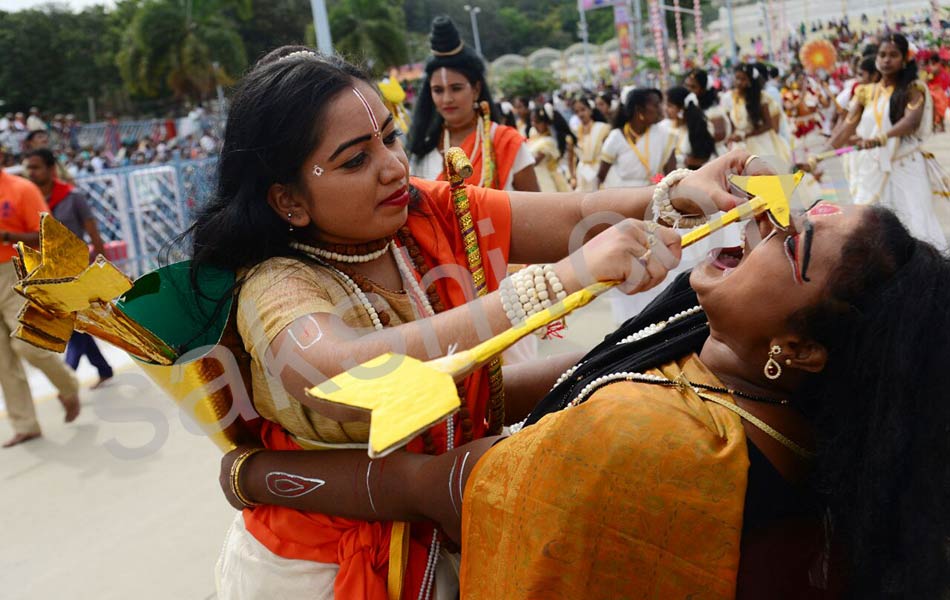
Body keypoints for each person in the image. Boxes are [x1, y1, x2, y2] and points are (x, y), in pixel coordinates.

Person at [202, 46, 741, 599]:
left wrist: (680, 194)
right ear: (288, 201)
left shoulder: (422, 209)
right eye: (354, 160)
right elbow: (343, 374)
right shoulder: (274, 283)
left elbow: (578, 215)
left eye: (389, 137)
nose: (393, 165)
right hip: (318, 570)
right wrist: (553, 283)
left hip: (466, 523)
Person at [222, 193, 950, 599]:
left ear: (797, 351)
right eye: (358, 159)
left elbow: (429, 480)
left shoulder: (653, 438)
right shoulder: (743, 365)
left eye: (789, 243)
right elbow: (591, 367)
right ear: (282, 198)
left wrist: (247, 474)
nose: (762, 223)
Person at [830, 33, 948, 251]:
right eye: (882, 55)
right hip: (873, 167)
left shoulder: (914, 89)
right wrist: (818, 157)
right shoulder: (865, 92)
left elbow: (910, 122)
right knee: (874, 225)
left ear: (904, 60)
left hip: (906, 167)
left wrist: (880, 138)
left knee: (914, 223)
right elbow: (847, 127)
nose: (886, 59)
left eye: (893, 55)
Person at [0, 149, 80, 448]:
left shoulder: (20, 189)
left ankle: (68, 385)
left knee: (27, 344)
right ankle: (26, 424)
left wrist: (6, 236)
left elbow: (46, 234)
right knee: (2, 361)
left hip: (13, 271)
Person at [407, 17, 539, 192]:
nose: (447, 99)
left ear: (476, 89)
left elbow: (535, 212)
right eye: (438, 90)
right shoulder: (421, 149)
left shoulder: (506, 143)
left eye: (456, 88)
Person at [24, 149, 113, 388]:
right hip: (49, 273)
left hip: (76, 270)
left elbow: (93, 232)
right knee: (75, 322)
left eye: (36, 167)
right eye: (28, 168)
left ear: (51, 169)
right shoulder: (30, 200)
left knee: (72, 322)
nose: (31, 173)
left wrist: (102, 264)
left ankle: (69, 374)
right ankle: (104, 369)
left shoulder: (73, 197)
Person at [597, 88, 677, 188]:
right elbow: (601, 176)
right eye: (656, 105)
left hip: (654, 196)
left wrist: (659, 190)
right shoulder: (616, 137)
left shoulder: (665, 135)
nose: (661, 110)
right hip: (623, 197)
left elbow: (671, 177)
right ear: (639, 109)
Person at [723, 63, 791, 165]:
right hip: (740, 145)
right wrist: (732, 137)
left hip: (760, 142)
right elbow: (733, 124)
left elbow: (769, 125)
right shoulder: (730, 98)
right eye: (737, 78)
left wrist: (745, 135)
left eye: (743, 79)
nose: (738, 82)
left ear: (750, 81)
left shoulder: (761, 98)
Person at [665, 86, 718, 169]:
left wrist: (685, 161)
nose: (666, 109)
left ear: (681, 108)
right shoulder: (665, 125)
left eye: (670, 106)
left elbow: (704, 157)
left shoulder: (697, 126)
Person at [684, 68, 731, 154]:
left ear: (703, 88)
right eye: (687, 86)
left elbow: (720, 135)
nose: (688, 90)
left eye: (693, 87)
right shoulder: (691, 103)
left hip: (712, 155)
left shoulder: (713, 110)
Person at [527, 104, 573, 192]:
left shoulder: (549, 142)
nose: (534, 124)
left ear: (546, 123)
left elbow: (534, 162)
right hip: (534, 176)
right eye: (532, 121)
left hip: (543, 178)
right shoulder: (533, 134)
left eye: (537, 122)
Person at [569, 95, 610, 191]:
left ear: (590, 110)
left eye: (583, 110)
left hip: (599, 171)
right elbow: (572, 157)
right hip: (582, 173)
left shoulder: (602, 128)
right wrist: (573, 176)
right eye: (577, 112)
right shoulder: (575, 132)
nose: (580, 114)